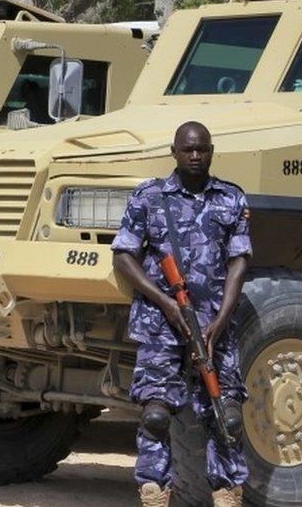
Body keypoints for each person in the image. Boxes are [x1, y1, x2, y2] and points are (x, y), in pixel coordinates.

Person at [111, 121, 251, 507]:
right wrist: (166, 302)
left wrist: (221, 320)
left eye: (202, 149)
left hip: (214, 324)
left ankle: (226, 492)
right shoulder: (148, 197)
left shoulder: (230, 198)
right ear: (174, 151)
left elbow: (239, 260)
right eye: (187, 149)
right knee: (156, 414)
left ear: (211, 150)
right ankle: (155, 491)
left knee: (228, 417)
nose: (194, 156)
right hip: (161, 323)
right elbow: (124, 256)